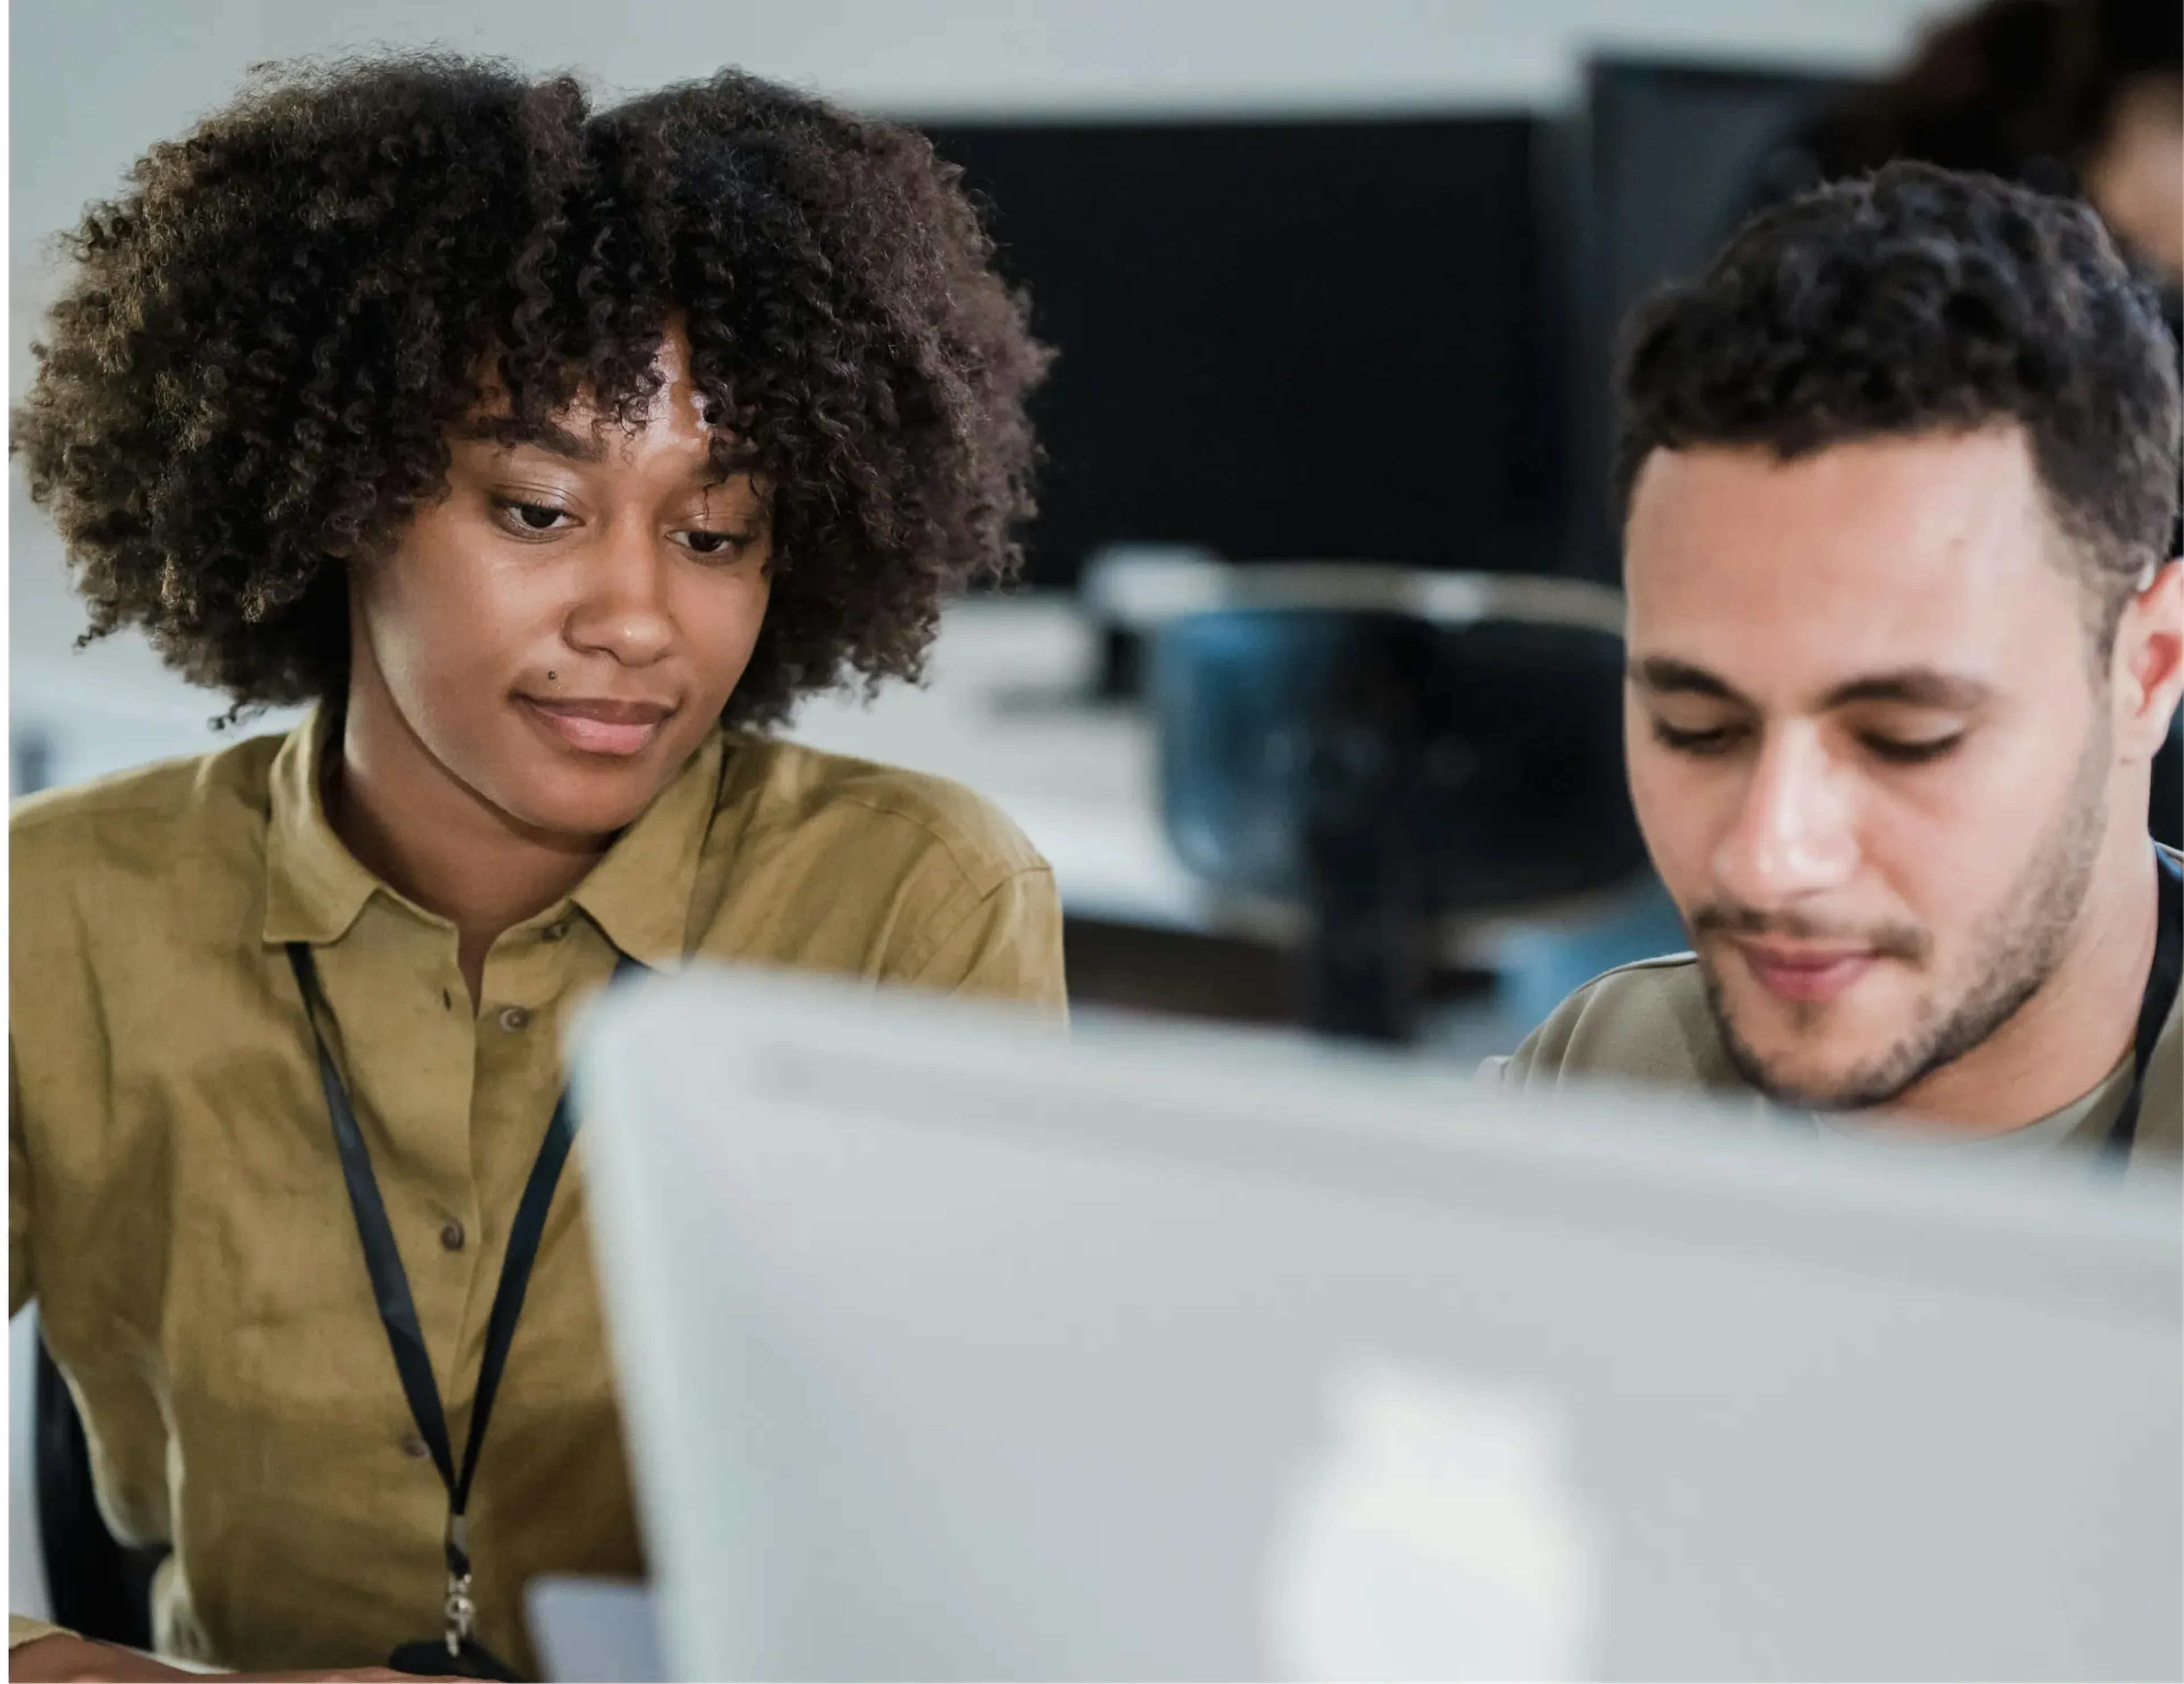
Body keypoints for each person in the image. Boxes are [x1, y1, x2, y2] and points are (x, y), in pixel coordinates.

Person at [3, 55, 1063, 1682]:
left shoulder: (914, 906)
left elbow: (989, 1542)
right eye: (539, 508)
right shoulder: (53, 911)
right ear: (339, 495)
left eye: (712, 533)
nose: (637, 617)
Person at [1491, 162, 2183, 1160]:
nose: (1769, 858)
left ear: (2147, 671)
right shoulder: (1602, 1080)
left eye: (1908, 740)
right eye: (1698, 730)